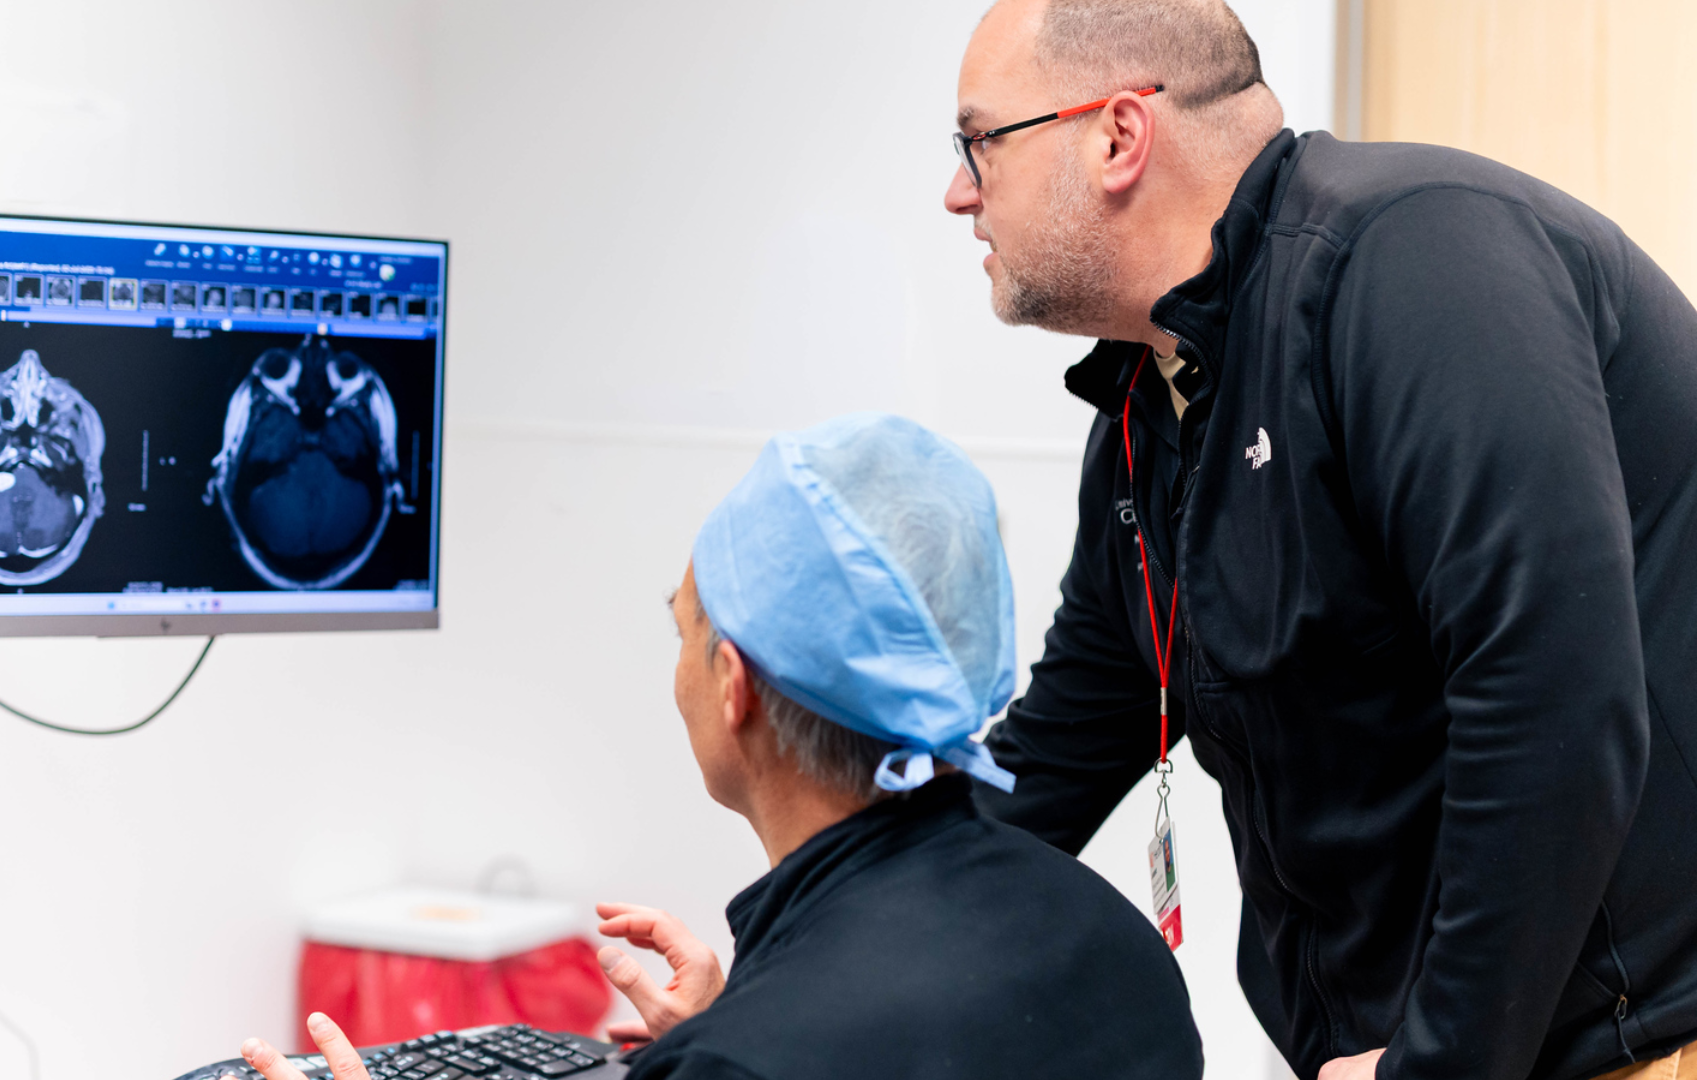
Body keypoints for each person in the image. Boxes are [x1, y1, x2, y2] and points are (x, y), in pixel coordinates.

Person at [943, 2, 1697, 1080]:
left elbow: (1554, 699)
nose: (959, 192)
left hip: (1630, 1047)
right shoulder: (1150, 415)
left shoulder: (1414, 258)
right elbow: (1044, 769)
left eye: (979, 141)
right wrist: (787, 978)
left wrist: (1439, 1065)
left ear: (1116, 135)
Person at [233, 413, 1202, 1080]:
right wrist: (740, 1021)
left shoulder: (760, 1056)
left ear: (732, 685)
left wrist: (735, 1047)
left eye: (682, 631)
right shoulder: (1110, 940)